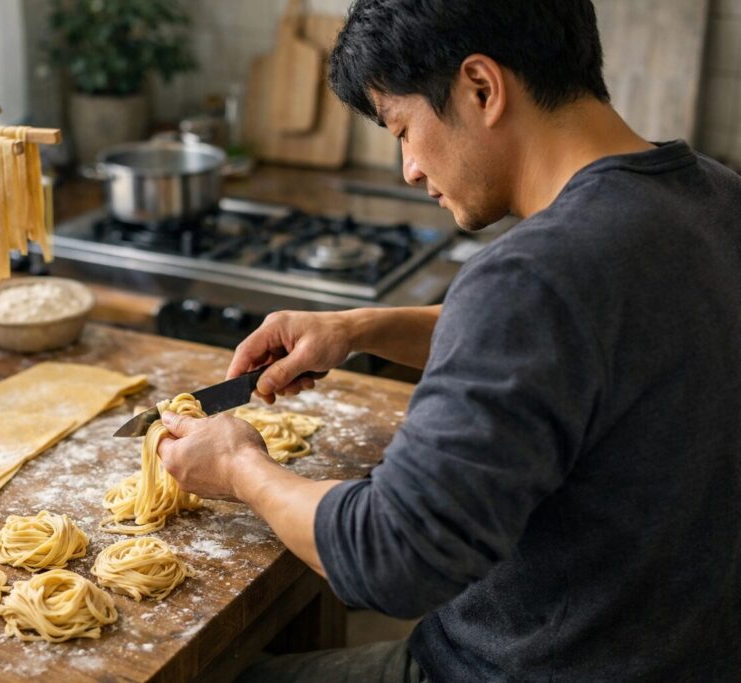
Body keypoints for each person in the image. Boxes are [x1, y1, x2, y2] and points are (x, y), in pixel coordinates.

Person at [157, 0, 741, 680]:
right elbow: (566, 345)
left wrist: (240, 468)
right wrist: (356, 329)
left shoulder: (531, 278)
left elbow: (390, 555)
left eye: (403, 129)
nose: (408, 167)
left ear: (482, 88)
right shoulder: (713, 196)